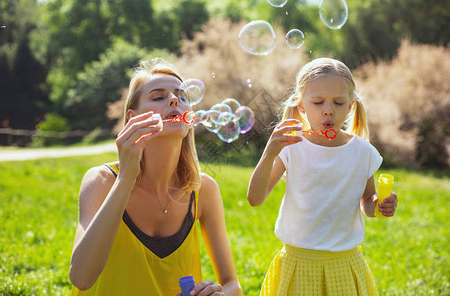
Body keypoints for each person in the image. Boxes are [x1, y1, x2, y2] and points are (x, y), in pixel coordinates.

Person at [69, 58, 242, 296]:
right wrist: (125, 179)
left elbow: (233, 284)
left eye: (181, 97)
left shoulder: (203, 190)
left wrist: (220, 295)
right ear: (132, 118)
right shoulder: (102, 181)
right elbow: (81, 278)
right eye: (158, 96)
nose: (174, 100)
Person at [247, 58, 398, 295]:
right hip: (297, 263)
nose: (328, 109)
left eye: (338, 102)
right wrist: (269, 153)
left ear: (350, 106)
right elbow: (255, 198)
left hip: (344, 264)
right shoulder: (291, 146)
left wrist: (380, 205)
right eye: (318, 102)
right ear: (302, 105)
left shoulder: (362, 152)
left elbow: (367, 203)